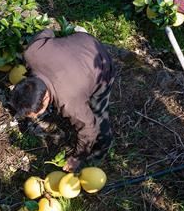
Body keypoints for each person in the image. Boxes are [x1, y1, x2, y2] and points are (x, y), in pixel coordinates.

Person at [9, 28, 114, 172]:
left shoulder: (69, 103)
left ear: (45, 98)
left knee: (98, 113)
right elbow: (47, 31)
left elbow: (88, 128)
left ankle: (100, 151)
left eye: (37, 114)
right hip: (82, 40)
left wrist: (77, 158)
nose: (37, 117)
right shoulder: (32, 52)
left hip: (100, 63)